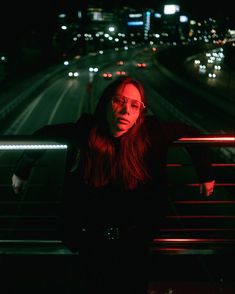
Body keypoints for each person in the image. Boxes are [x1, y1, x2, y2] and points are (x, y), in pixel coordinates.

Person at [11, 76, 215, 294]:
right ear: (106, 102)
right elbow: (45, 135)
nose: (126, 111)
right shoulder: (86, 132)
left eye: (135, 105)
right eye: (119, 101)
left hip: (134, 243)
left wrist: (205, 172)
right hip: (91, 240)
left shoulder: (151, 134)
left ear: (140, 114)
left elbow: (192, 134)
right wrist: (22, 169)